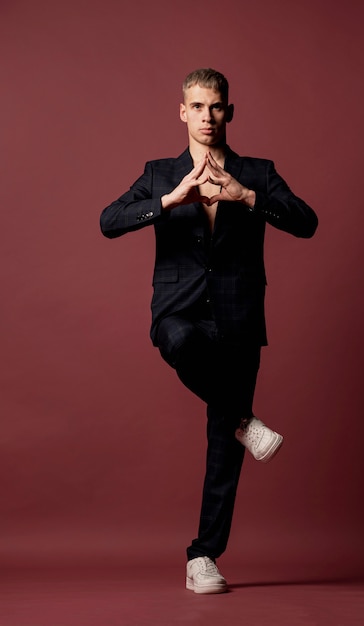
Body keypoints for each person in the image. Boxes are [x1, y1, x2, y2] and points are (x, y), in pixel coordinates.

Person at [100, 68, 318, 594]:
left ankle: (203, 556)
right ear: (182, 111)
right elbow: (109, 220)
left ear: (229, 112)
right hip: (178, 309)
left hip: (239, 316)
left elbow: (306, 221)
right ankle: (246, 418)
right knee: (176, 341)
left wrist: (246, 196)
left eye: (216, 106)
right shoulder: (158, 172)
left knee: (223, 447)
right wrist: (170, 200)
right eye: (197, 106)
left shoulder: (257, 171)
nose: (206, 116)